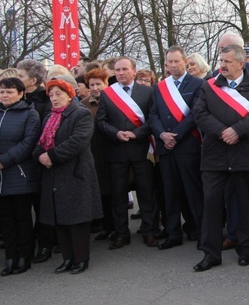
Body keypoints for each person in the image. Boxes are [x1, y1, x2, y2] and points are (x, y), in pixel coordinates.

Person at [193, 44, 249, 271]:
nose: (222, 66)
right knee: (211, 205)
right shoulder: (209, 88)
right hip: (215, 155)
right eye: (221, 61)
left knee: (245, 204)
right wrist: (221, 131)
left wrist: (237, 130)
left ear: (241, 63)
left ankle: (246, 249)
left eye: (227, 62)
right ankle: (211, 253)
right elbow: (200, 113)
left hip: (245, 154)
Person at [34, 79, 102, 275]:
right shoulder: (49, 117)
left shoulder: (81, 113)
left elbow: (78, 141)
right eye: (51, 95)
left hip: (75, 172)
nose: (54, 98)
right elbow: (41, 142)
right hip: (54, 174)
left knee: (77, 219)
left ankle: (81, 258)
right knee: (59, 218)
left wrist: (52, 156)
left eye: (58, 94)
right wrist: (40, 155)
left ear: (69, 94)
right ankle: (67, 258)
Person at [96, 56, 158, 249]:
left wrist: (137, 133)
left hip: (141, 149)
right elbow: (101, 121)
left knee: (147, 193)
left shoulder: (147, 92)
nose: (121, 73)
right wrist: (116, 133)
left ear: (134, 70)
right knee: (118, 195)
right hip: (117, 151)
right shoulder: (108, 94)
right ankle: (121, 233)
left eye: (124, 69)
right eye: (117, 70)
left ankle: (150, 231)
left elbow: (152, 119)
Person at [150, 46, 205, 250]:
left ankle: (201, 232)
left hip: (187, 145)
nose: (173, 66)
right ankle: (173, 233)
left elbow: (195, 113)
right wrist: (162, 135)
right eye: (169, 62)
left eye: (176, 61)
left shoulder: (198, 84)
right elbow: (153, 115)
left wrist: (176, 135)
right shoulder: (159, 87)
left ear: (185, 62)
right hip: (166, 147)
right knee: (170, 193)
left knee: (193, 192)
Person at [0, 77, 41, 276]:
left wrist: (5, 160)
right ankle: (10, 257)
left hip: (19, 175)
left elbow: (29, 143)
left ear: (20, 93)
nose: (5, 95)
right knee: (5, 221)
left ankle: (24, 257)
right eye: (2, 91)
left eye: (10, 91)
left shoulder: (29, 114)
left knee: (22, 219)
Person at [16, 58, 54, 263]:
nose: (17, 80)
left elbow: (43, 131)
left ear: (33, 80)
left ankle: (46, 243)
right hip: (20, 163)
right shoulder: (18, 100)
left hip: (37, 159)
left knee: (42, 206)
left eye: (21, 76)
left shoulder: (45, 101)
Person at [81, 68, 115, 241]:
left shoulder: (115, 100)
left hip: (112, 150)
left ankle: (118, 227)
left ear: (106, 83)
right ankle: (107, 226)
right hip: (94, 152)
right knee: (102, 192)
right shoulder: (84, 103)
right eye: (91, 84)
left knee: (115, 191)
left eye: (98, 84)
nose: (95, 88)